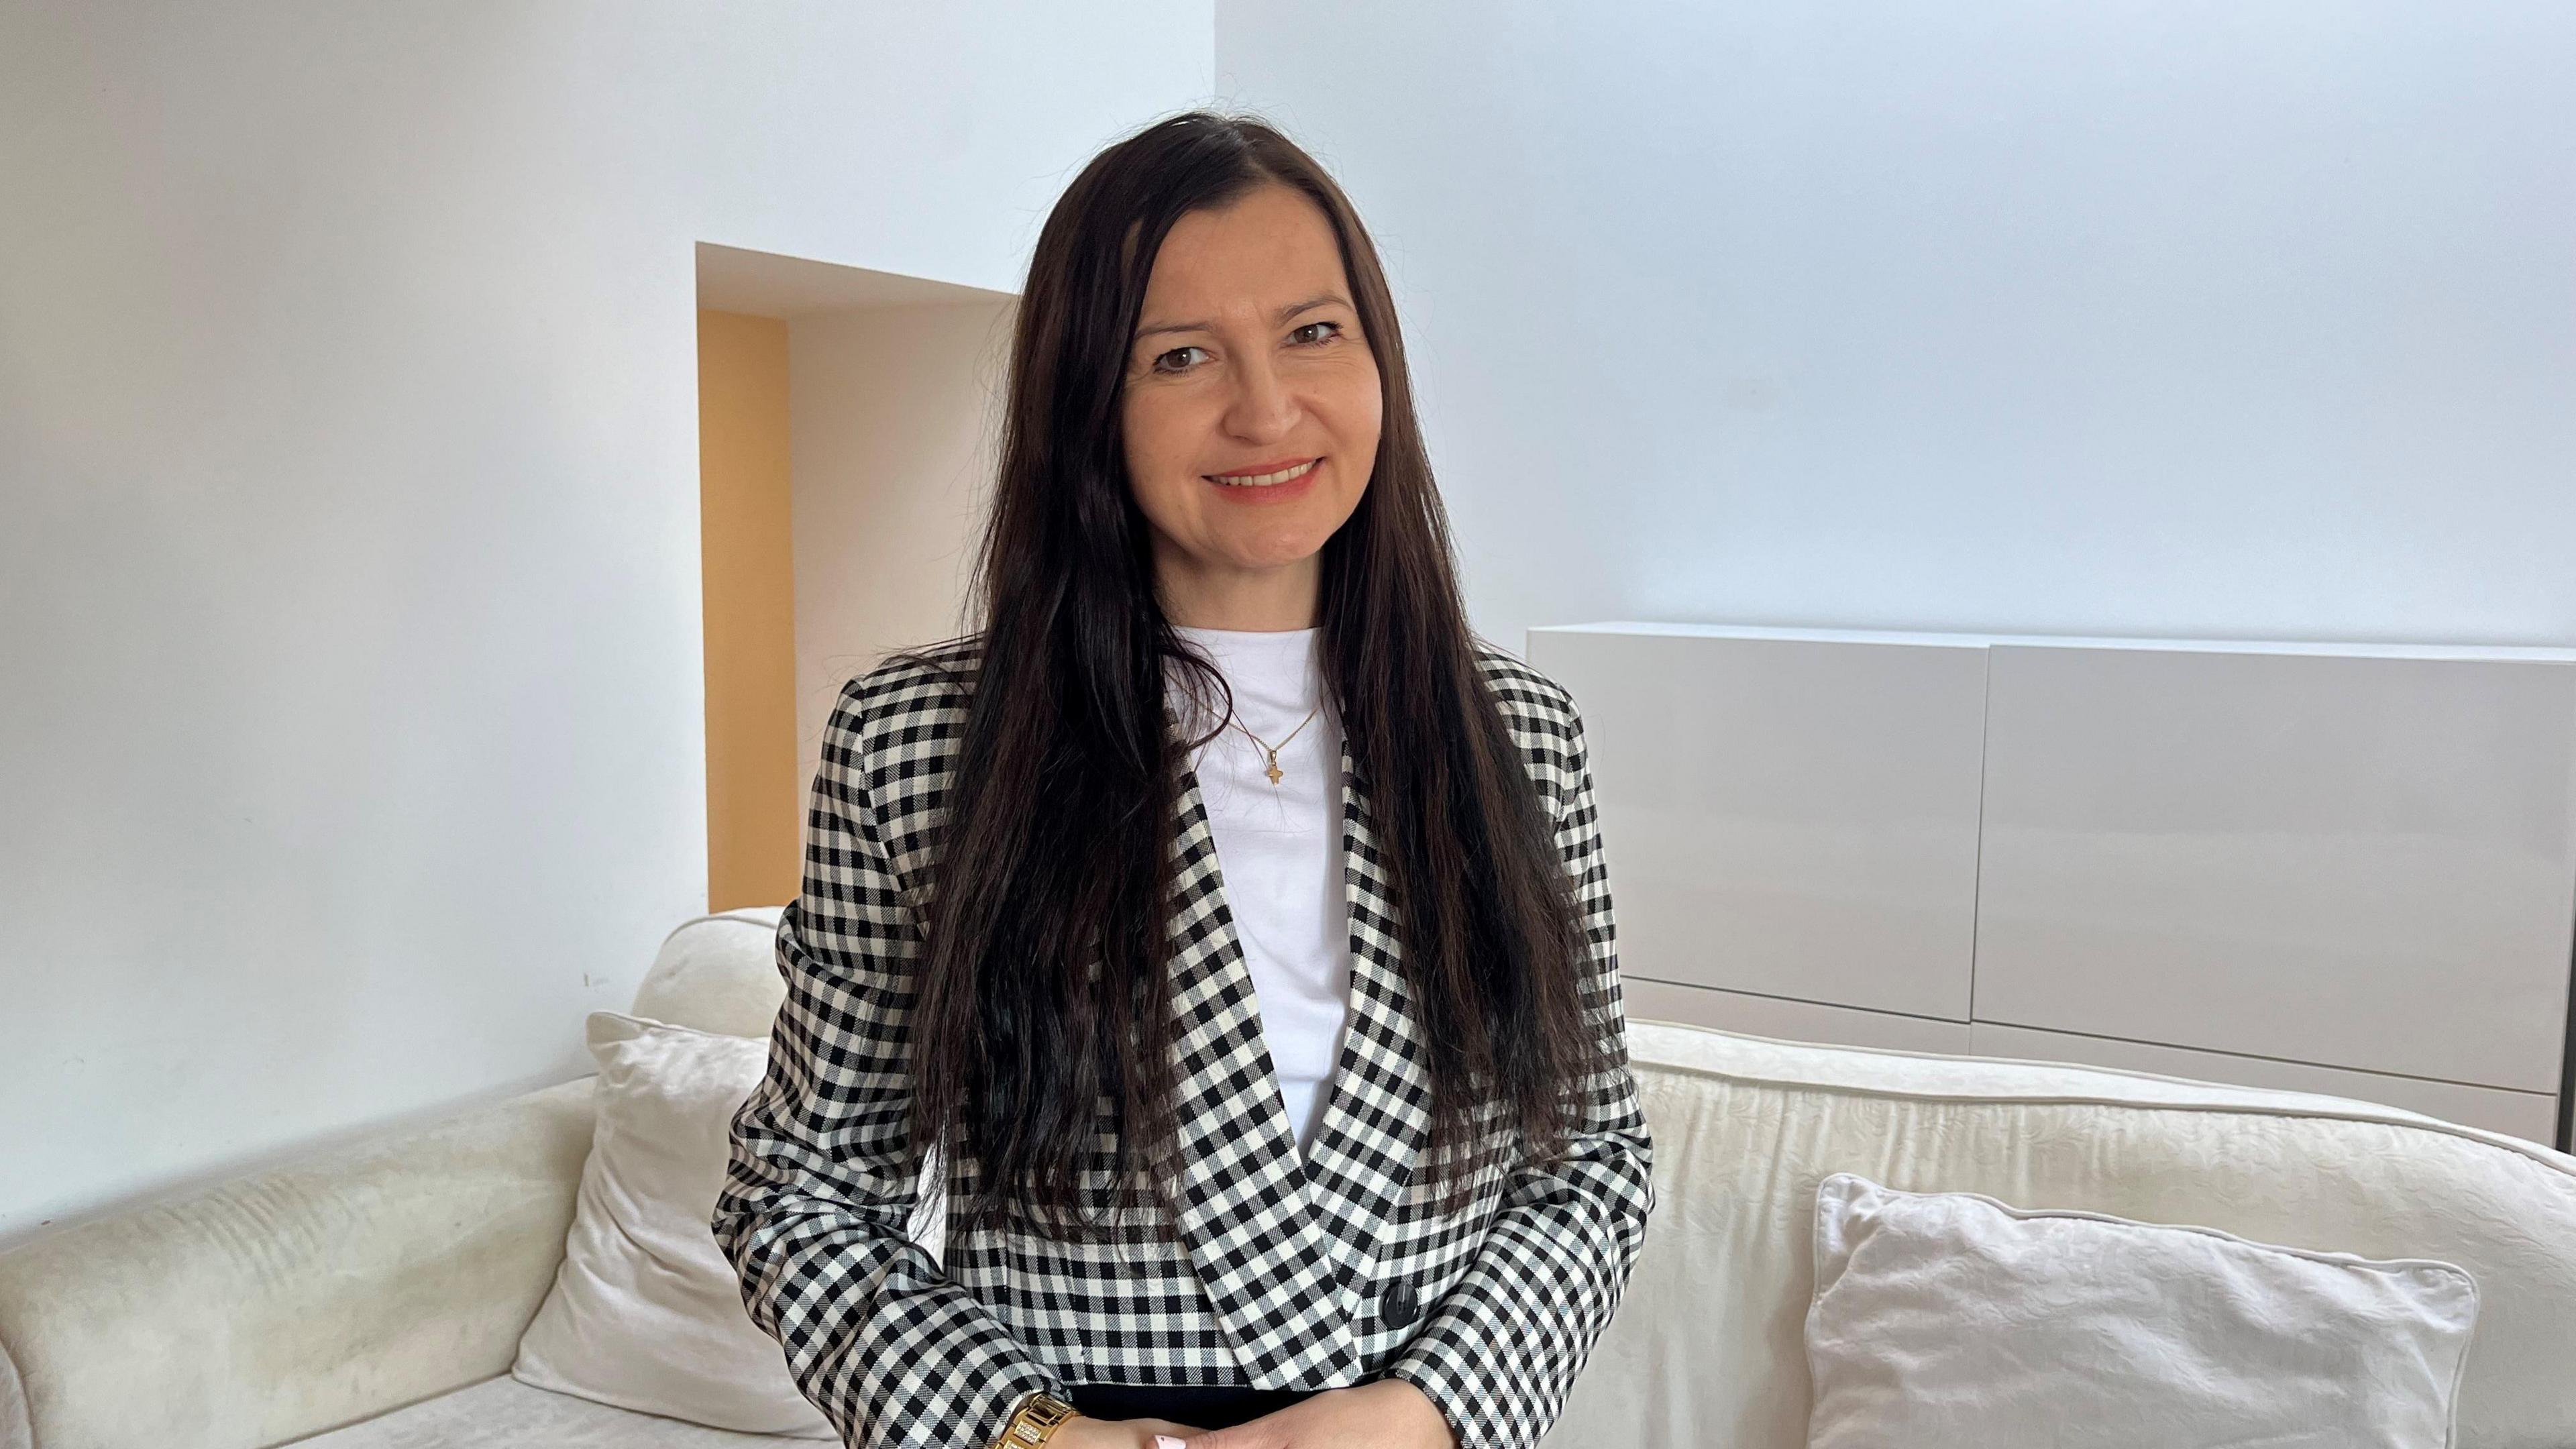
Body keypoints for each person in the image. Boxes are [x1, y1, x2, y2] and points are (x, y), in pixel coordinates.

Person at [712, 110, 1655, 1449]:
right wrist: (1036, 1437)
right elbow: (801, 1198)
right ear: (1089, 398)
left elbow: (1591, 1170)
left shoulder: (1519, 739)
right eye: (1182, 355)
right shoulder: (919, 746)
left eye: (1314, 333)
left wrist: (1422, 1416)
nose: (1266, 409)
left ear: (1380, 358)